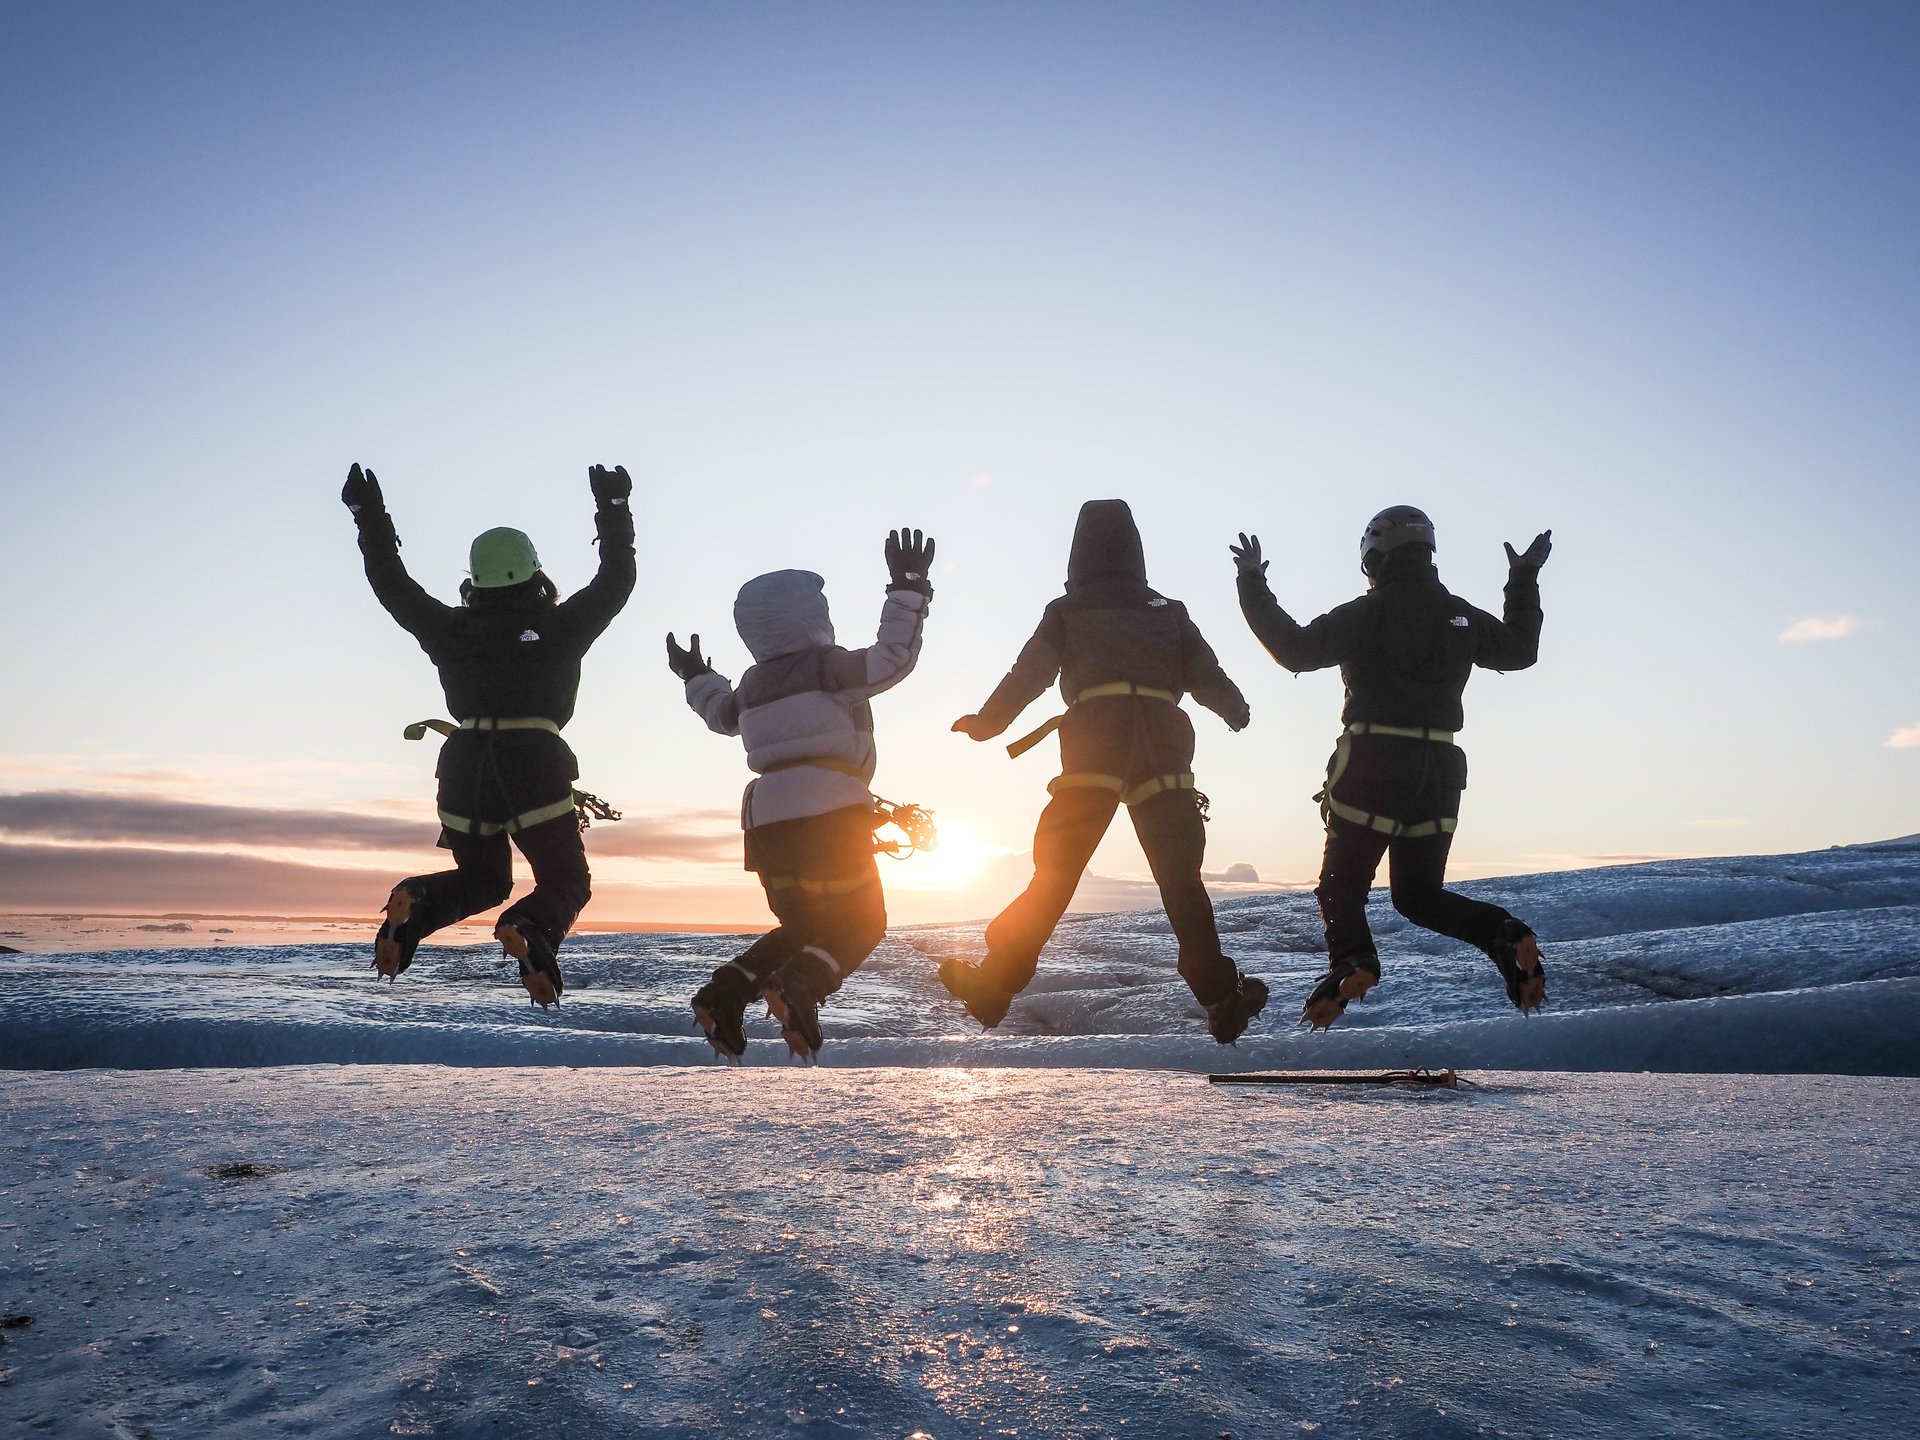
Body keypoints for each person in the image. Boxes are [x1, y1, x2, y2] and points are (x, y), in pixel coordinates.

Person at [940, 499, 1269, 1044]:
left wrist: (988, 722)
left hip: (1094, 745)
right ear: (1137, 552)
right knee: (1180, 883)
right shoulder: (1168, 610)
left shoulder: (1067, 610)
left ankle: (995, 985)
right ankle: (1221, 1000)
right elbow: (1207, 674)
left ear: (1077, 555)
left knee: (1056, 873)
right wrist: (1235, 710)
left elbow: (1031, 672)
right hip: (1163, 750)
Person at [1232, 506, 1551, 1028]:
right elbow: (1521, 651)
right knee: (1419, 896)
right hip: (1441, 769)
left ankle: (1354, 962)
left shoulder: (1367, 612)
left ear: (1374, 556)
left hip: (1374, 761)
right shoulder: (1460, 615)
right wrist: (1523, 579)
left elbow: (1293, 649)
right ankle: (1505, 935)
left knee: (1342, 887)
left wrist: (1252, 584)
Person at [341, 461, 636, 1007]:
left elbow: (391, 583)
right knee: (566, 882)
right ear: (535, 572)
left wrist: (368, 515)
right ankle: (529, 925)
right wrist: (614, 510)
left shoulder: (450, 628)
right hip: (534, 762)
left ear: (473, 579)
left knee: (481, 879)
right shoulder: (562, 625)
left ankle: (417, 902)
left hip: (464, 765)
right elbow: (616, 581)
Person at [669, 529, 935, 1062]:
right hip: (830, 816)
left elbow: (719, 714)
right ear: (815, 616)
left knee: (805, 926)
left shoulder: (751, 686)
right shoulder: (827, 666)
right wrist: (909, 590)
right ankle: (800, 988)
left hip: (766, 826)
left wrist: (695, 676)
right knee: (863, 923)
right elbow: (892, 658)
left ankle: (725, 994)